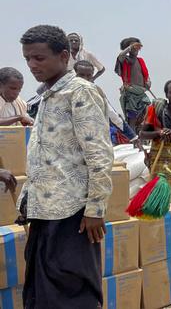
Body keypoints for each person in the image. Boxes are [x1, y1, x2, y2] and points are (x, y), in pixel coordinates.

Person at [18, 25, 113, 308]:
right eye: (27, 59)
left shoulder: (80, 92)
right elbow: (44, 156)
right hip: (44, 212)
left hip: (73, 214)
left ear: (63, 56)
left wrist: (96, 209)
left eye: (39, 58)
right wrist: (26, 199)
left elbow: (99, 154)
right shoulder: (47, 96)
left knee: (71, 291)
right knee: (42, 292)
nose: (32, 65)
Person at [74, 60, 141, 148]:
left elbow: (113, 116)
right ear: (75, 75)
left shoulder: (97, 93)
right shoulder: (65, 93)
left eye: (89, 75)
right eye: (81, 75)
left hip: (94, 141)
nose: (85, 79)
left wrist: (133, 137)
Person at [114, 37, 151, 132]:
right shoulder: (124, 60)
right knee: (132, 118)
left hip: (141, 92)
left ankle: (143, 137)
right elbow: (121, 55)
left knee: (148, 111)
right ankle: (133, 139)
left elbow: (146, 75)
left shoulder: (140, 60)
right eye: (134, 47)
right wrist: (130, 47)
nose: (136, 49)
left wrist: (148, 82)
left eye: (138, 47)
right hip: (130, 92)